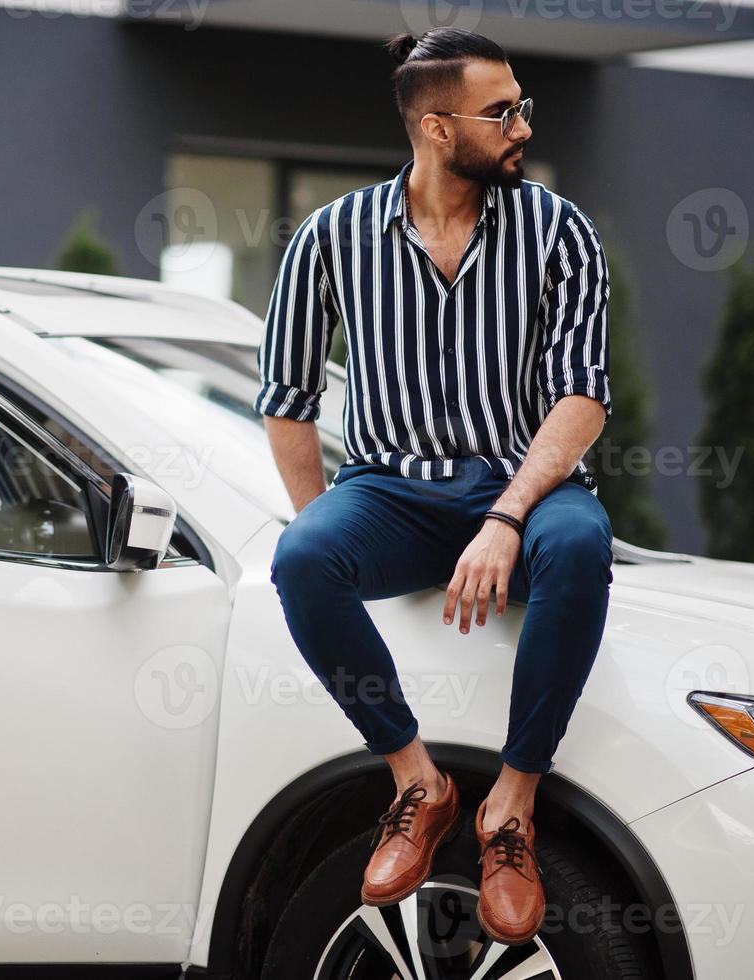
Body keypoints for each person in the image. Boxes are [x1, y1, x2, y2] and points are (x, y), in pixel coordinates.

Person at [254, 28, 614, 945]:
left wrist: (504, 516)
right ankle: (417, 781)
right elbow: (288, 403)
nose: (522, 126)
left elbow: (581, 399)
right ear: (437, 127)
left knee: (577, 545)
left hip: (524, 484)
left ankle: (510, 808)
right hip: (391, 491)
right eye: (502, 113)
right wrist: (326, 530)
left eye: (522, 106)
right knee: (300, 558)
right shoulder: (330, 238)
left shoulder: (559, 231)